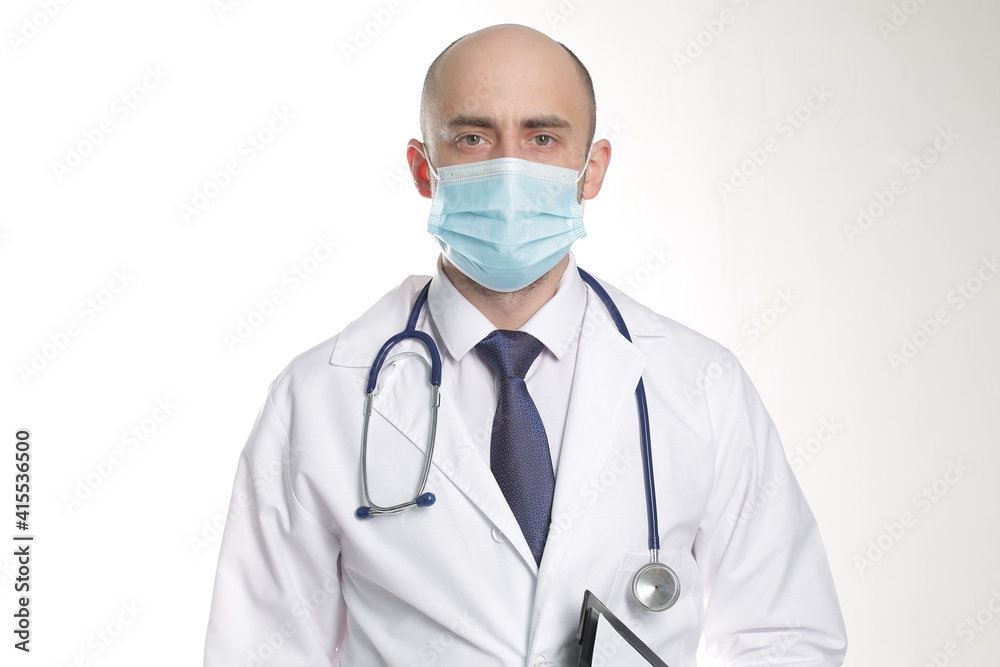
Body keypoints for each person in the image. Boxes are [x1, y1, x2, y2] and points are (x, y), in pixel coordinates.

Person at [203, 23, 847, 666]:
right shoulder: (320, 396)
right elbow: (260, 650)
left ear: (590, 169)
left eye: (542, 138)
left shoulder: (700, 385)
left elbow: (785, 635)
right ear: (424, 170)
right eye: (473, 137)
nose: (508, 169)